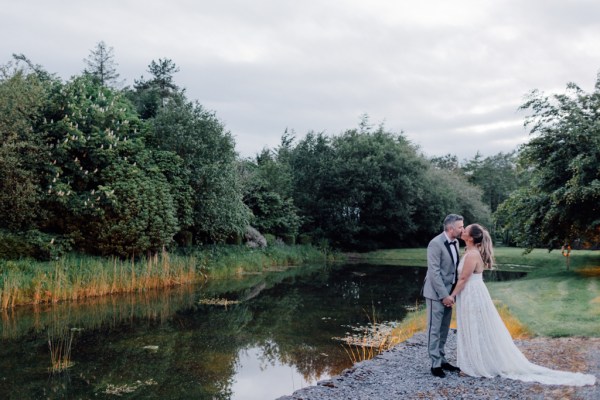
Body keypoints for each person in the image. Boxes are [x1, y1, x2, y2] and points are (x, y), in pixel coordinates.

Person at [449, 223, 596, 386]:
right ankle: (475, 362)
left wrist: (452, 296)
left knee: (475, 326)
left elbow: (463, 279)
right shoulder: (469, 251)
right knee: (473, 326)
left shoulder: (472, 255)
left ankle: (476, 366)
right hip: (471, 292)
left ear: (470, 237)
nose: (462, 231)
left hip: (472, 293)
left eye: (465, 229)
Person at [423, 214, 464, 378]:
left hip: (450, 294)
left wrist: (453, 294)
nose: (463, 229)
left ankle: (442, 359)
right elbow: (434, 273)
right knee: (434, 329)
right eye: (460, 226)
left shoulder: (455, 243)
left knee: (444, 328)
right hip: (436, 294)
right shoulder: (435, 244)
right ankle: (435, 364)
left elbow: (453, 270)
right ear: (450, 228)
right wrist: (444, 295)